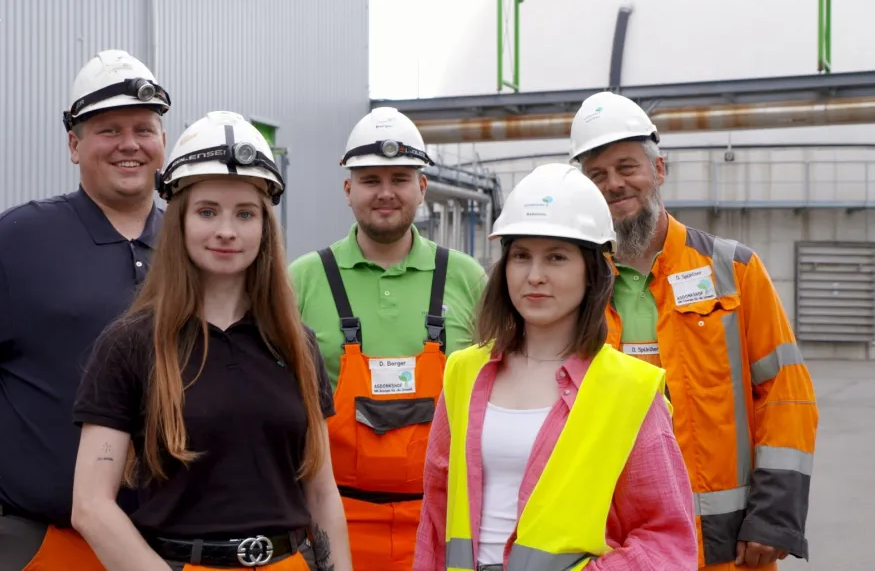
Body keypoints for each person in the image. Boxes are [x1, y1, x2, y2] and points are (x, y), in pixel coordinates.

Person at [0, 49, 171, 571]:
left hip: (170, 546)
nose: (129, 144)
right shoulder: (19, 241)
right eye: (108, 130)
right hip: (41, 544)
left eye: (143, 129)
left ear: (162, 142)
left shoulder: (192, 247)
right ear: (74, 145)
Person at [69, 111, 353, 571]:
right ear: (179, 221)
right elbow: (91, 506)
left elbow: (321, 494)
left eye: (245, 214)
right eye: (207, 212)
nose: (226, 230)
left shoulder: (296, 344)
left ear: (265, 228)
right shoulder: (129, 345)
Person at [568, 91, 819, 570]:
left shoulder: (733, 269)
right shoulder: (574, 282)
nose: (614, 184)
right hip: (612, 545)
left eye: (627, 167)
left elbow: (786, 394)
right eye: (597, 175)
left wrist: (774, 517)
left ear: (659, 170)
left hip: (726, 546)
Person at [414, 163, 698, 571]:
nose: (535, 276)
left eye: (556, 258)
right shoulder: (464, 372)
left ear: (591, 271)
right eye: (521, 256)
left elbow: (666, 540)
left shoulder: (630, 390)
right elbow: (436, 514)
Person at [288, 106, 488, 571]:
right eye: (370, 180)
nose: (385, 192)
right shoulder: (302, 281)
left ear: (422, 187)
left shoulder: (467, 279)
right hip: (334, 524)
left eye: (400, 179)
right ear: (348, 190)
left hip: (444, 524)